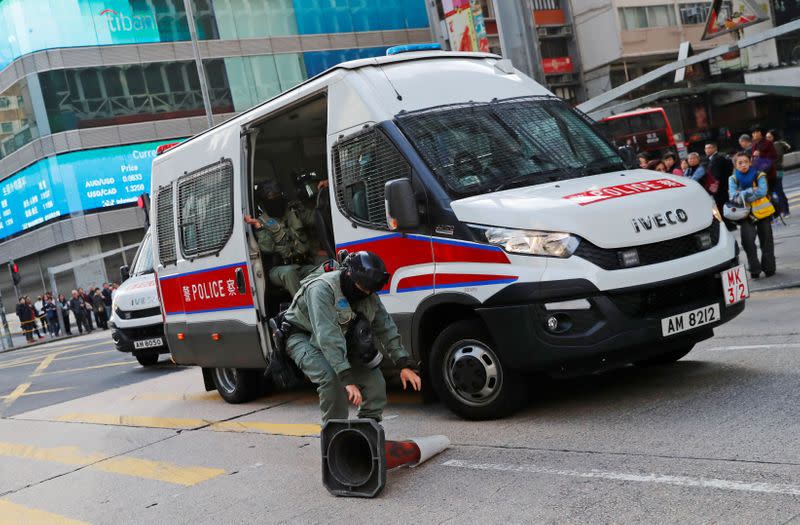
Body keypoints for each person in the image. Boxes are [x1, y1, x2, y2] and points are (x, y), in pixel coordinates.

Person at [284, 251, 421, 423]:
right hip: (302, 337)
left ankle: (365, 433)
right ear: (350, 275)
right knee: (333, 380)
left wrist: (403, 364)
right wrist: (346, 378)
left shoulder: (368, 291)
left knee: (376, 385)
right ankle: (335, 436)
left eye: (370, 290)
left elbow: (385, 326)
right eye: (363, 288)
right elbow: (328, 336)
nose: (366, 293)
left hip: (339, 340)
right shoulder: (322, 289)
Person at [243, 181, 321, 296]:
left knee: (326, 268)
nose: (275, 199)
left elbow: (315, 219)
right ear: (264, 201)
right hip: (279, 268)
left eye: (277, 195)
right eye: (271, 197)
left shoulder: (294, 211)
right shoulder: (262, 222)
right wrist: (259, 227)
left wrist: (322, 198)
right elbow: (267, 249)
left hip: (303, 264)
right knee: (290, 273)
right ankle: (303, 308)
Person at [729, 152, 775, 279]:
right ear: (735, 165)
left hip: (762, 213)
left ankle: (769, 268)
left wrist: (742, 194)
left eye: (746, 162)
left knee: (766, 241)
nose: (743, 165)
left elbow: (762, 191)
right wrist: (749, 191)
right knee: (748, 242)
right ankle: (754, 269)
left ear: (750, 162)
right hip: (744, 215)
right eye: (740, 163)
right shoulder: (732, 179)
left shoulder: (759, 174)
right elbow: (733, 196)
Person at [704, 143, 735, 231]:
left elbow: (715, 174)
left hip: (720, 187)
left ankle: (728, 225)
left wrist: (713, 186)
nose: (707, 150)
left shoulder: (717, 158)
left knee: (722, 206)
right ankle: (728, 224)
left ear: (715, 148)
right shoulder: (711, 159)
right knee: (722, 206)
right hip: (721, 187)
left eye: (709, 148)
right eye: (706, 148)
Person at [767, 129, 791, 217]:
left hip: (776, 171)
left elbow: (775, 158)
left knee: (778, 191)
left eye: (769, 137)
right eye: (767, 137)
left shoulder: (775, 145)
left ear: (774, 137)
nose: (767, 139)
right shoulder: (775, 144)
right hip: (778, 170)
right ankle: (784, 210)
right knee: (778, 191)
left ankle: (785, 210)